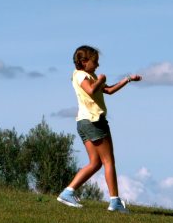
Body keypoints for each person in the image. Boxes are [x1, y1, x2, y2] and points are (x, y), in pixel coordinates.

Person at [57, 45, 142, 213]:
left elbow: (108, 90)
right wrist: (100, 80)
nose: (97, 65)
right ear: (83, 61)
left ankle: (67, 192)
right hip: (94, 121)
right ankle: (115, 202)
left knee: (95, 163)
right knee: (108, 161)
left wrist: (128, 79)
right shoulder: (81, 75)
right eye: (95, 62)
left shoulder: (90, 75)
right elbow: (90, 90)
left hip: (84, 122)